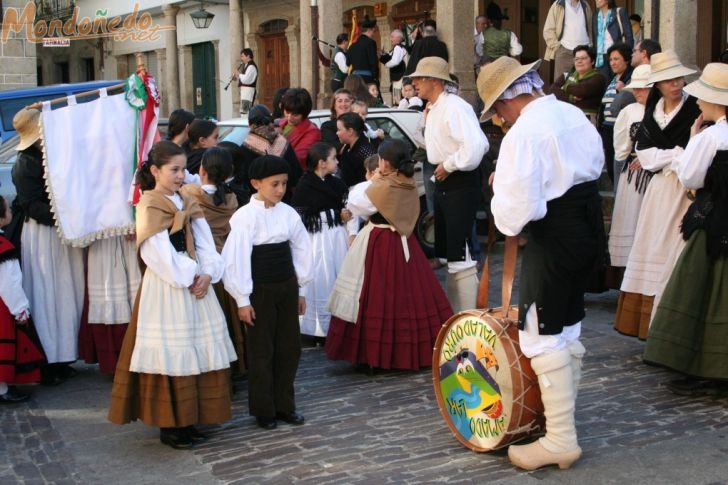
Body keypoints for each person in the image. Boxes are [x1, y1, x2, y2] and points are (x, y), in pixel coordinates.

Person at [478, 55, 604, 471]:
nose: (499, 118)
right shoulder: (570, 112)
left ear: (506, 101)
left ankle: (560, 438)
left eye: (497, 110)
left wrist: (501, 190)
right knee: (566, 324)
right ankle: (557, 423)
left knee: (541, 331)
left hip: (555, 237)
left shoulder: (524, 133)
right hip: (586, 226)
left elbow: (513, 215)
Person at [108, 141, 237, 449]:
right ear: (155, 171)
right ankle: (170, 424)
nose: (181, 176)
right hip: (168, 287)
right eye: (174, 170)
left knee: (196, 350)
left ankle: (190, 418)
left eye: (183, 169)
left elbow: (206, 242)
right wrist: (192, 275)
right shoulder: (150, 205)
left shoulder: (187, 202)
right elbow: (157, 254)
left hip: (196, 285)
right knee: (172, 353)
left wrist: (208, 273)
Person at [326, 139, 453, 371]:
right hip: (406, 243)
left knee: (376, 295)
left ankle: (376, 354)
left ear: (384, 163)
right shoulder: (406, 180)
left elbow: (356, 204)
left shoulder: (383, 186)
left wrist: (372, 180)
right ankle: (412, 349)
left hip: (381, 242)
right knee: (410, 295)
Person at [643, 62, 728, 395]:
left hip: (715, 221)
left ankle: (706, 362)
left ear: (716, 102)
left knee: (704, 290)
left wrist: (692, 141)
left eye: (703, 98)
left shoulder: (710, 136)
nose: (699, 103)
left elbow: (690, 177)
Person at [222, 155, 313, 430]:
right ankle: (264, 409)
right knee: (262, 350)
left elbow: (302, 248)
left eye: (284, 184)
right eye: (274, 184)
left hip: (286, 285)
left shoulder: (288, 213)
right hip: (259, 289)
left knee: (289, 347)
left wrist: (301, 289)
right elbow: (236, 260)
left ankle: (285, 405)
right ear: (255, 184)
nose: (280, 190)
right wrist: (242, 300)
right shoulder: (244, 218)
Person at [614, 51, 700, 339]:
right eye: (668, 80)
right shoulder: (653, 111)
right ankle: (647, 322)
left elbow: (695, 154)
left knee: (676, 247)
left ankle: (672, 323)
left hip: (686, 189)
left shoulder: (694, 110)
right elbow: (645, 154)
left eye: (678, 78)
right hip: (659, 188)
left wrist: (676, 157)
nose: (676, 84)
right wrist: (675, 154)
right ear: (659, 85)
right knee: (652, 245)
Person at [11, 108, 84, 386]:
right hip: (42, 236)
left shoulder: (45, 156)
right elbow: (32, 205)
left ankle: (62, 356)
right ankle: (49, 360)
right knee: (46, 295)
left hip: (57, 233)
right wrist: (64, 214)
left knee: (65, 292)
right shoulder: (25, 164)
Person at [410, 57, 488, 312]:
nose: (414, 83)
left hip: (459, 181)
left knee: (460, 252)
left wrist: (450, 165)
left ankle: (467, 316)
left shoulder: (455, 107)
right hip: (444, 178)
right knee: (449, 253)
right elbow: (429, 144)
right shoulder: (433, 109)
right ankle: (457, 315)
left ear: (434, 80)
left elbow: (476, 147)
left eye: (419, 78)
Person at [180, 147, 245, 376]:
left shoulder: (189, 194)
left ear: (202, 169)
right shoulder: (232, 198)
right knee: (229, 317)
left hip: (202, 263)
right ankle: (235, 364)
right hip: (225, 261)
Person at [290, 143, 351, 343]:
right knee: (320, 279)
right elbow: (299, 219)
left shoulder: (337, 184)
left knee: (339, 277)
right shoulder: (305, 186)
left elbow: (346, 206)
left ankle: (340, 324)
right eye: (334, 158)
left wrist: (345, 214)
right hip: (317, 241)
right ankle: (318, 328)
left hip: (337, 238)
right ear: (322, 163)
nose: (337, 161)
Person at [607, 64, 652, 283]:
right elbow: (621, 149)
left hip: (659, 178)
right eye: (636, 88)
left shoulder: (665, 111)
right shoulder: (629, 112)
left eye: (643, 88)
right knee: (631, 222)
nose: (637, 92)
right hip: (633, 178)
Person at [0, 195, 44, 403]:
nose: (11, 212)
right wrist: (20, 310)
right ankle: (2, 389)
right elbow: (10, 284)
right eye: (8, 210)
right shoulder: (4, 249)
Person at [81, 234, 141, 376]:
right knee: (110, 292)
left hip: (132, 239)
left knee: (136, 292)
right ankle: (116, 363)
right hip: (104, 239)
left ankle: (138, 360)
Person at [240, 104, 302, 203]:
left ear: (250, 124)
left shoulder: (245, 146)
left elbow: (242, 180)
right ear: (271, 121)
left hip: (258, 202)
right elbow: (296, 175)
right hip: (283, 200)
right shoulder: (283, 142)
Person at [599, 42, 633, 184]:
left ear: (626, 60)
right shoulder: (613, 79)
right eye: (611, 60)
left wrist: (624, 90)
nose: (612, 63)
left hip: (619, 128)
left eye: (616, 59)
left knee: (618, 165)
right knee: (611, 164)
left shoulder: (630, 78)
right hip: (607, 127)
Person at [550, 45, 607, 119]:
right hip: (565, 117)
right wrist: (570, 98)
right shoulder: (567, 75)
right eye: (576, 59)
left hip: (586, 118)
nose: (579, 61)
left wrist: (565, 87)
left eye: (583, 58)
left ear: (592, 61)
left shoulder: (598, 78)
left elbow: (582, 90)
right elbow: (552, 90)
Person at [543, 0, 593, 82]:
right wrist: (557, 47)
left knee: (585, 84)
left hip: (584, 52)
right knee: (561, 84)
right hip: (564, 51)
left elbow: (590, 28)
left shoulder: (585, 5)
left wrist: (590, 45)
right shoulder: (558, 4)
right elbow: (548, 30)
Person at [280, 88, 322, 170]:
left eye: (295, 115)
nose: (289, 117)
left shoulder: (312, 132)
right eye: (287, 112)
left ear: (304, 114)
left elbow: (297, 159)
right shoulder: (281, 123)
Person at [593, 0, 634, 79]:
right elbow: (595, 38)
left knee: (618, 81)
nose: (597, 0)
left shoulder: (619, 12)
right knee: (604, 84)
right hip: (601, 57)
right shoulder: (596, 16)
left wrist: (626, 55)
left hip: (617, 54)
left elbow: (628, 36)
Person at [336, 112, 377, 188]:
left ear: (350, 131)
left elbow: (373, 181)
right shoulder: (348, 147)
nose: (337, 133)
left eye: (339, 130)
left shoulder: (365, 151)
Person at [347, 16, 379, 86]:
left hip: (355, 80)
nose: (373, 34)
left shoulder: (352, 45)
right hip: (367, 79)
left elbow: (347, 63)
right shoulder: (371, 43)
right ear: (369, 30)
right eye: (373, 31)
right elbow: (373, 61)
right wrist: (375, 78)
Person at [379, 29, 408, 103]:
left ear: (398, 38)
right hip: (400, 77)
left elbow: (395, 61)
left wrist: (386, 64)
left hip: (400, 78)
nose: (390, 39)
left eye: (392, 37)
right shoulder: (398, 47)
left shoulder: (398, 47)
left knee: (399, 100)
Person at [234, 48, 258, 115]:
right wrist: (237, 76)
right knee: (244, 112)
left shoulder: (251, 67)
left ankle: (245, 124)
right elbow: (244, 79)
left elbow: (246, 79)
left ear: (248, 56)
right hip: (245, 92)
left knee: (245, 112)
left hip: (248, 92)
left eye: (242, 56)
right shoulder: (247, 65)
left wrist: (239, 74)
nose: (241, 58)